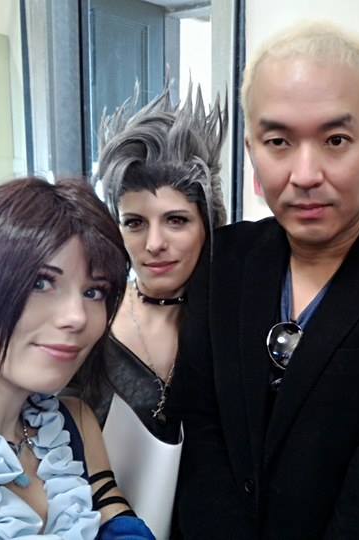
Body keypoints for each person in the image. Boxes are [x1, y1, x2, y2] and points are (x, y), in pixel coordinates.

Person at [167, 22, 359, 540]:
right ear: (252, 148)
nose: (305, 174)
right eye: (278, 141)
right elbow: (200, 431)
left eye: (336, 140)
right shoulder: (223, 258)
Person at [0, 177, 154, 539]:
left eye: (94, 291)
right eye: (40, 283)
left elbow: (114, 515)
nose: (77, 317)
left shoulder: (75, 421)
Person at [85, 82, 227, 438]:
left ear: (208, 225)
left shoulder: (236, 320)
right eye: (135, 223)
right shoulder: (91, 320)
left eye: (176, 220)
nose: (154, 244)